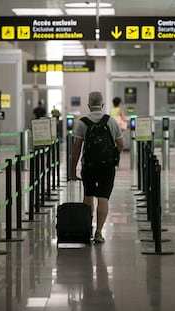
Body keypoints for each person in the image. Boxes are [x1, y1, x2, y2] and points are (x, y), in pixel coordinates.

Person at [70, 92, 124, 243]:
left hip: (89, 166)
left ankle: (87, 229)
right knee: (103, 198)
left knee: (88, 196)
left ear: (88, 105)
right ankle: (99, 232)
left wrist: (72, 169)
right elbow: (121, 145)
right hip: (107, 166)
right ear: (102, 105)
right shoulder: (111, 121)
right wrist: (113, 157)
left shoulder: (82, 122)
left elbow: (76, 148)